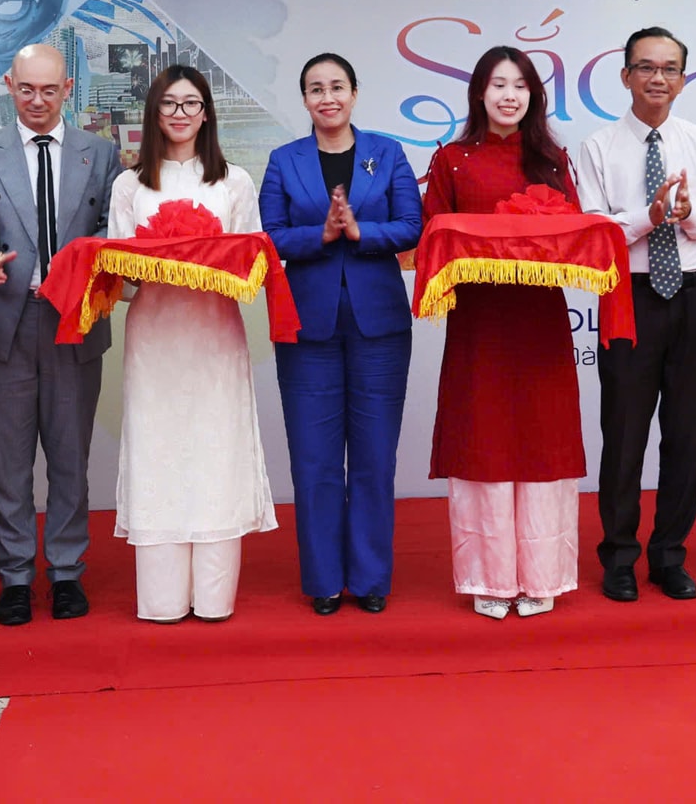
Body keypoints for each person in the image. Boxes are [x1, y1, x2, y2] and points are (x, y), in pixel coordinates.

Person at [0, 44, 123, 626]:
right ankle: (15, 576)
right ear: (9, 84)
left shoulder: (101, 154)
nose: (36, 101)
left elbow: (111, 230)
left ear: (68, 89)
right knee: (8, 461)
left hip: (75, 320)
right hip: (8, 318)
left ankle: (68, 572)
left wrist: (92, 266)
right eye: (26, 89)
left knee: (70, 457)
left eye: (49, 91)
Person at [111, 64, 276, 622]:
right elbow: (119, 272)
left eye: (191, 103)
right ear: (154, 113)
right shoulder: (130, 185)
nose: (180, 113)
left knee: (215, 449)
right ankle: (160, 599)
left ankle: (214, 597)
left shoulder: (235, 182)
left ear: (207, 113)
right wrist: (156, 260)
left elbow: (252, 263)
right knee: (157, 449)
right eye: (169, 103)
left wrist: (209, 261)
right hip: (154, 336)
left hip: (214, 334)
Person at [259, 52, 422, 615]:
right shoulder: (284, 160)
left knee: (375, 458)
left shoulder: (388, 153)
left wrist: (360, 230)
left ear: (354, 93)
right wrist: (322, 235)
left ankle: (372, 577)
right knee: (315, 460)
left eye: (336, 87)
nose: (327, 97)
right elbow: (269, 238)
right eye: (315, 89)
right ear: (304, 99)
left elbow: (412, 226)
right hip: (308, 328)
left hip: (380, 327)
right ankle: (324, 580)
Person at [425, 46, 584, 620]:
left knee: (541, 436)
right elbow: (431, 237)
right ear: (479, 93)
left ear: (534, 95)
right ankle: (488, 578)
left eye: (520, 85)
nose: (509, 96)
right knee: (484, 438)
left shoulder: (552, 159)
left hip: (540, 321)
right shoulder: (451, 160)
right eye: (498, 85)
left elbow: (575, 235)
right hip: (480, 323)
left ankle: (542, 576)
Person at [575, 27, 696, 603]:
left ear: (683, 80)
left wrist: (688, 214)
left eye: (669, 69)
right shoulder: (597, 147)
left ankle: (669, 556)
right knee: (623, 434)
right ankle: (619, 556)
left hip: (693, 295)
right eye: (646, 67)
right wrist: (650, 213)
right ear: (625, 76)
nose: (658, 78)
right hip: (630, 297)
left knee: (686, 435)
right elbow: (595, 229)